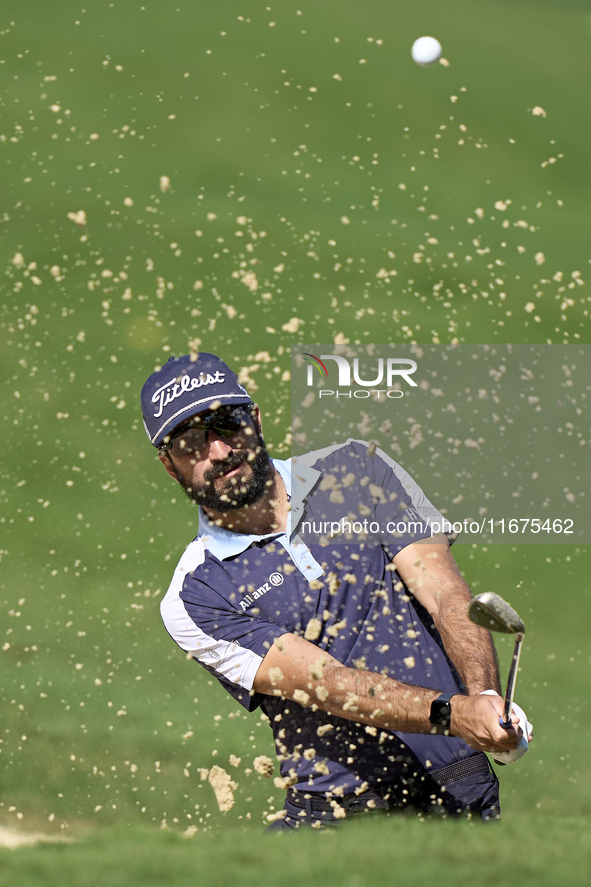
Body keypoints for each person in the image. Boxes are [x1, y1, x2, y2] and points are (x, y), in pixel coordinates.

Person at [141, 352, 530, 829]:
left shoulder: (357, 470)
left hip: (457, 783)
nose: (219, 451)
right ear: (169, 465)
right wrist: (454, 713)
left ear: (256, 419)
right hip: (335, 814)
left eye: (228, 422)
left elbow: (445, 592)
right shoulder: (196, 593)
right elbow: (326, 683)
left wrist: (487, 700)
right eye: (192, 442)